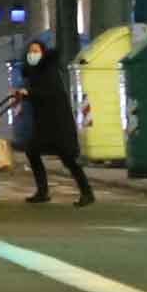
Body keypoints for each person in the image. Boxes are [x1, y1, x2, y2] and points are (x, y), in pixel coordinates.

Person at [16, 33, 93, 204]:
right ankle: (42, 191)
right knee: (32, 151)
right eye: (30, 51)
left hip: (57, 124)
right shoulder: (34, 72)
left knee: (68, 159)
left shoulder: (49, 71)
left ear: (43, 53)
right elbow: (36, 95)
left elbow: (51, 94)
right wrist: (24, 95)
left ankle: (87, 192)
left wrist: (29, 93)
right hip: (44, 124)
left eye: (36, 51)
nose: (32, 54)